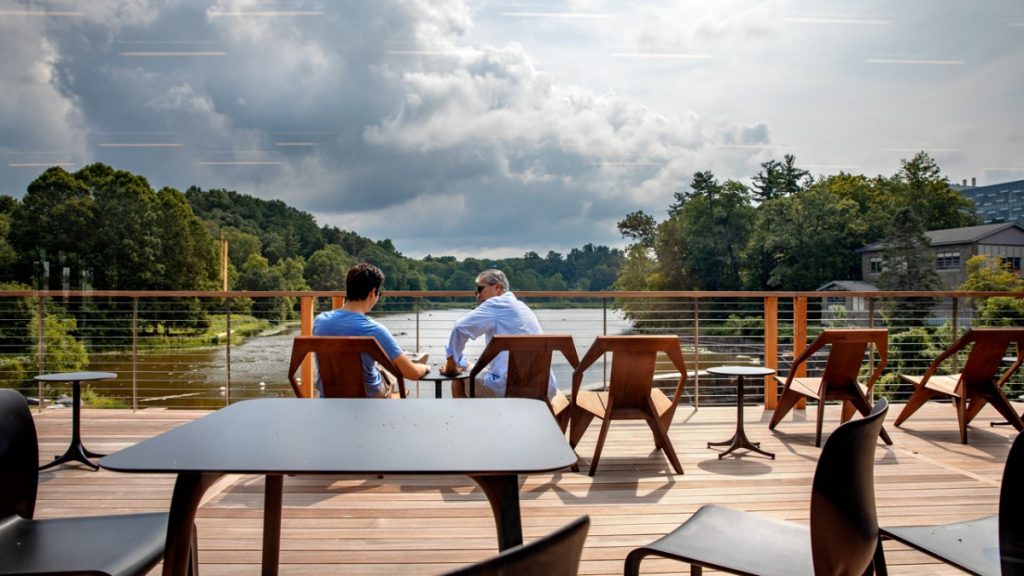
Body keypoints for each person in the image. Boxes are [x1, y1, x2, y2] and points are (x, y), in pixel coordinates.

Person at [312, 263, 429, 397]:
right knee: (390, 373)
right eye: (379, 293)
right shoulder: (374, 330)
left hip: (330, 396)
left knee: (377, 367)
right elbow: (412, 373)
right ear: (373, 292)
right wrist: (425, 368)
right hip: (367, 400)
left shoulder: (320, 321)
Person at [441, 269, 555, 398]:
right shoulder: (522, 307)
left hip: (509, 388)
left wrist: (451, 364)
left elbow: (459, 328)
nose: (477, 295)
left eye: (480, 288)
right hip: (544, 387)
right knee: (467, 367)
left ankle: (464, 418)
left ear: (497, 287)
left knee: (459, 378)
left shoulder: (495, 303)